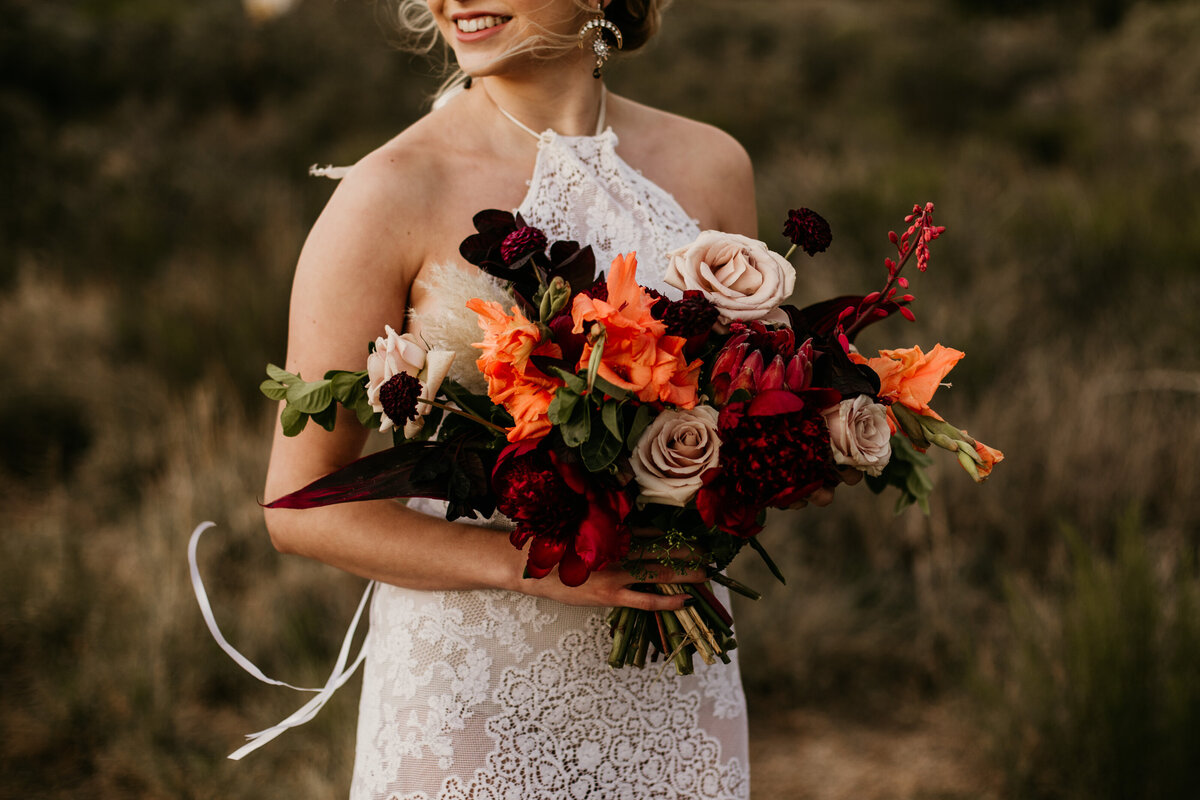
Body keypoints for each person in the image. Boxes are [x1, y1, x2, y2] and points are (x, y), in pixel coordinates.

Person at [263, 1, 760, 797]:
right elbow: (298, 504)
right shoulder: (389, 192)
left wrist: (791, 447)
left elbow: (749, 403)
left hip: (674, 678)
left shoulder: (713, 164)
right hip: (475, 697)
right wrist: (535, 564)